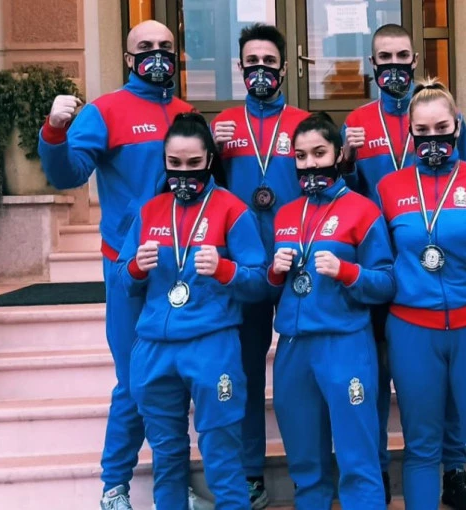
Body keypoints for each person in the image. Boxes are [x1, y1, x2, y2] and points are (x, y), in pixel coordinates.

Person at [37, 20, 212, 510]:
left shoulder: (186, 114)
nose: (157, 54)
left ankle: (173, 488)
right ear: (128, 57)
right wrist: (54, 131)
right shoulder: (106, 110)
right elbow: (67, 174)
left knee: (176, 380)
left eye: (166, 47)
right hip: (129, 266)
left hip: (181, 269)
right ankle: (114, 487)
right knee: (136, 381)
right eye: (146, 47)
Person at [341, 23, 466, 509]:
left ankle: (453, 470)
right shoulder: (357, 122)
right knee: (375, 374)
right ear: (372, 65)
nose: (394, 66)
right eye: (385, 58)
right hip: (378, 266)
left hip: (438, 272)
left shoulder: (440, 116)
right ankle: (377, 471)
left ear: (415, 60)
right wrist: (345, 161)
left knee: (447, 381)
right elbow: (345, 197)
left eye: (402, 56)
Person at [376, 77, 466, 510]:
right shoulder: (390, 188)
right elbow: (380, 259)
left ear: (457, 125)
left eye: (441, 128)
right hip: (413, 330)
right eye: (422, 131)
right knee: (422, 446)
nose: (432, 139)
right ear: (410, 132)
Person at [118, 112, 267, 510]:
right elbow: (122, 279)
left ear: (209, 160)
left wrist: (225, 270)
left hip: (211, 344)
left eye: (194, 163)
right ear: (165, 162)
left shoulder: (232, 210)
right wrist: (136, 268)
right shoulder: (150, 211)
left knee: (222, 456)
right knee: (166, 458)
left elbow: (260, 280)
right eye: (175, 163)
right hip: (154, 347)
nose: (184, 172)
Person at [267, 112, 394, 509]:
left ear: (339, 154)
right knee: (305, 460)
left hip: (345, 342)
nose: (309, 164)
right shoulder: (285, 214)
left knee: (358, 457)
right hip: (293, 346)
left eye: (319, 153)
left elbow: (386, 282)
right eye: (301, 156)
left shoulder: (363, 210)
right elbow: (273, 284)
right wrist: (274, 272)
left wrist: (347, 272)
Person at [212, 23, 311, 508]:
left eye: (269, 63)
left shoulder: (305, 123)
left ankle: (311, 471)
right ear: (240, 67)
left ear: (284, 68)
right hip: (246, 268)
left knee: (305, 375)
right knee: (246, 373)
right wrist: (214, 151)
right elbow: (202, 189)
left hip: (298, 264)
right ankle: (250, 471)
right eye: (252, 63)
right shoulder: (224, 126)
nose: (260, 71)